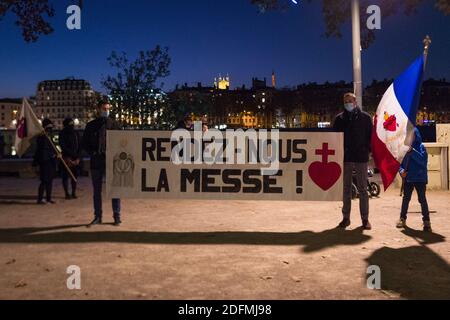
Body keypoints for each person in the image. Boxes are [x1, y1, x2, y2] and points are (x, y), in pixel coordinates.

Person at [333, 93, 373, 230]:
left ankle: (365, 219)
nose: (348, 103)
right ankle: (346, 218)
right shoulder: (339, 119)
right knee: (346, 189)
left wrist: (367, 150)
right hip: (346, 157)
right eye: (346, 101)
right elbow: (335, 138)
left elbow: (370, 137)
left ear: (355, 101)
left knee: (363, 189)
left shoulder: (366, 118)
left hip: (361, 157)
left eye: (350, 101)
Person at [82, 100, 122, 227]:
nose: (106, 111)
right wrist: (93, 152)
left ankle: (117, 215)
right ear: (99, 109)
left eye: (108, 108)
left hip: (111, 162)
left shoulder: (115, 125)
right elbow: (84, 143)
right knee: (97, 191)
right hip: (96, 161)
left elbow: (122, 142)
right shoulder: (91, 126)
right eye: (104, 108)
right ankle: (97, 216)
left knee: (115, 190)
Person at [396, 128, 431, 232]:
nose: (410, 137)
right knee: (406, 199)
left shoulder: (421, 147)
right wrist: (401, 171)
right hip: (408, 178)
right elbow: (400, 163)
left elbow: (422, 161)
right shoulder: (404, 148)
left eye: (412, 135)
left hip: (420, 178)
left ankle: (427, 222)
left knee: (422, 200)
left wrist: (412, 151)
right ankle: (402, 218)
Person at [33, 118, 58, 204]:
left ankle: (48, 198)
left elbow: (52, 147)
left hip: (50, 161)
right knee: (44, 180)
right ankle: (40, 199)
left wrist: (56, 153)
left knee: (50, 180)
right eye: (50, 126)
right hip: (45, 161)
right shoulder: (42, 136)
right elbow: (43, 150)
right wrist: (52, 154)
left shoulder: (49, 135)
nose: (51, 128)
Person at [59, 117, 81, 199]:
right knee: (65, 177)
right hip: (66, 158)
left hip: (75, 158)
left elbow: (80, 145)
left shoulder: (76, 133)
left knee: (74, 177)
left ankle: (73, 192)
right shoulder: (62, 133)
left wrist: (77, 157)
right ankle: (67, 193)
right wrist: (69, 157)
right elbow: (63, 146)